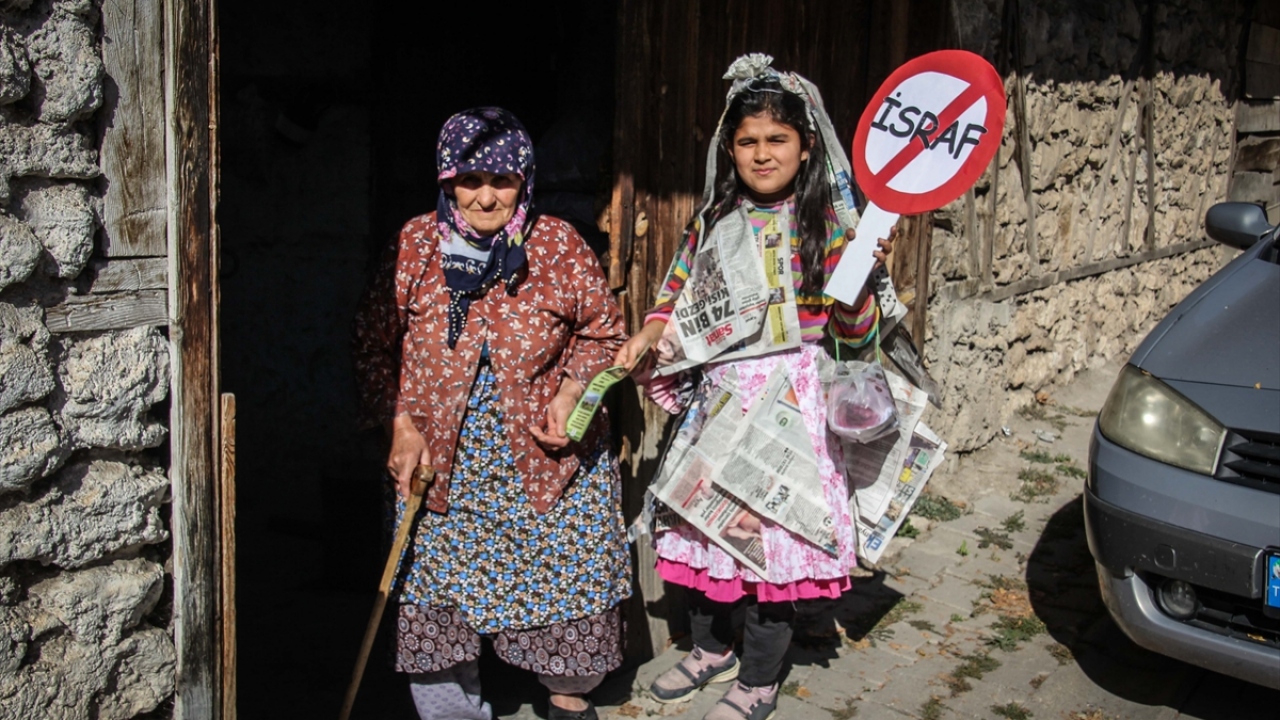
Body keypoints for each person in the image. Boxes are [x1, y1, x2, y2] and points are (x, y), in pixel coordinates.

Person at [613, 55, 894, 720]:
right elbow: (677, 294)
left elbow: (855, 334)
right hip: (721, 400)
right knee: (710, 528)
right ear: (728, 147)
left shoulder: (828, 223)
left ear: (805, 146)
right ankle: (710, 648)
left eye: (777, 140)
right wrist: (652, 335)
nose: (762, 154)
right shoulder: (713, 222)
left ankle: (760, 678)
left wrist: (858, 277)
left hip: (791, 408)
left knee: (770, 539)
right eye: (748, 141)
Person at [354, 107, 630, 720]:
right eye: (469, 180)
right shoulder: (416, 245)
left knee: (570, 595)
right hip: (439, 470)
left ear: (525, 181)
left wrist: (570, 393)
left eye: (501, 181)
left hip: (542, 465)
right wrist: (398, 426)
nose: (485, 196)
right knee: (435, 610)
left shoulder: (556, 244)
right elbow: (372, 344)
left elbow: (605, 332)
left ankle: (567, 700)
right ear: (447, 180)